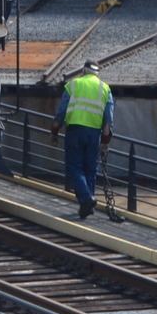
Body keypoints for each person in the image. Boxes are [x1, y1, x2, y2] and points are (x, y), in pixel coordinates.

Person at [52, 60, 115, 219]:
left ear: (83, 71)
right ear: (97, 74)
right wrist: (105, 141)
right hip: (94, 133)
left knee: (74, 168)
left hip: (75, 131)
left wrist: (55, 130)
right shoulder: (105, 89)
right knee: (90, 169)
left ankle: (87, 199)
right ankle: (87, 208)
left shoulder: (74, 85)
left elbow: (61, 111)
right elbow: (108, 119)